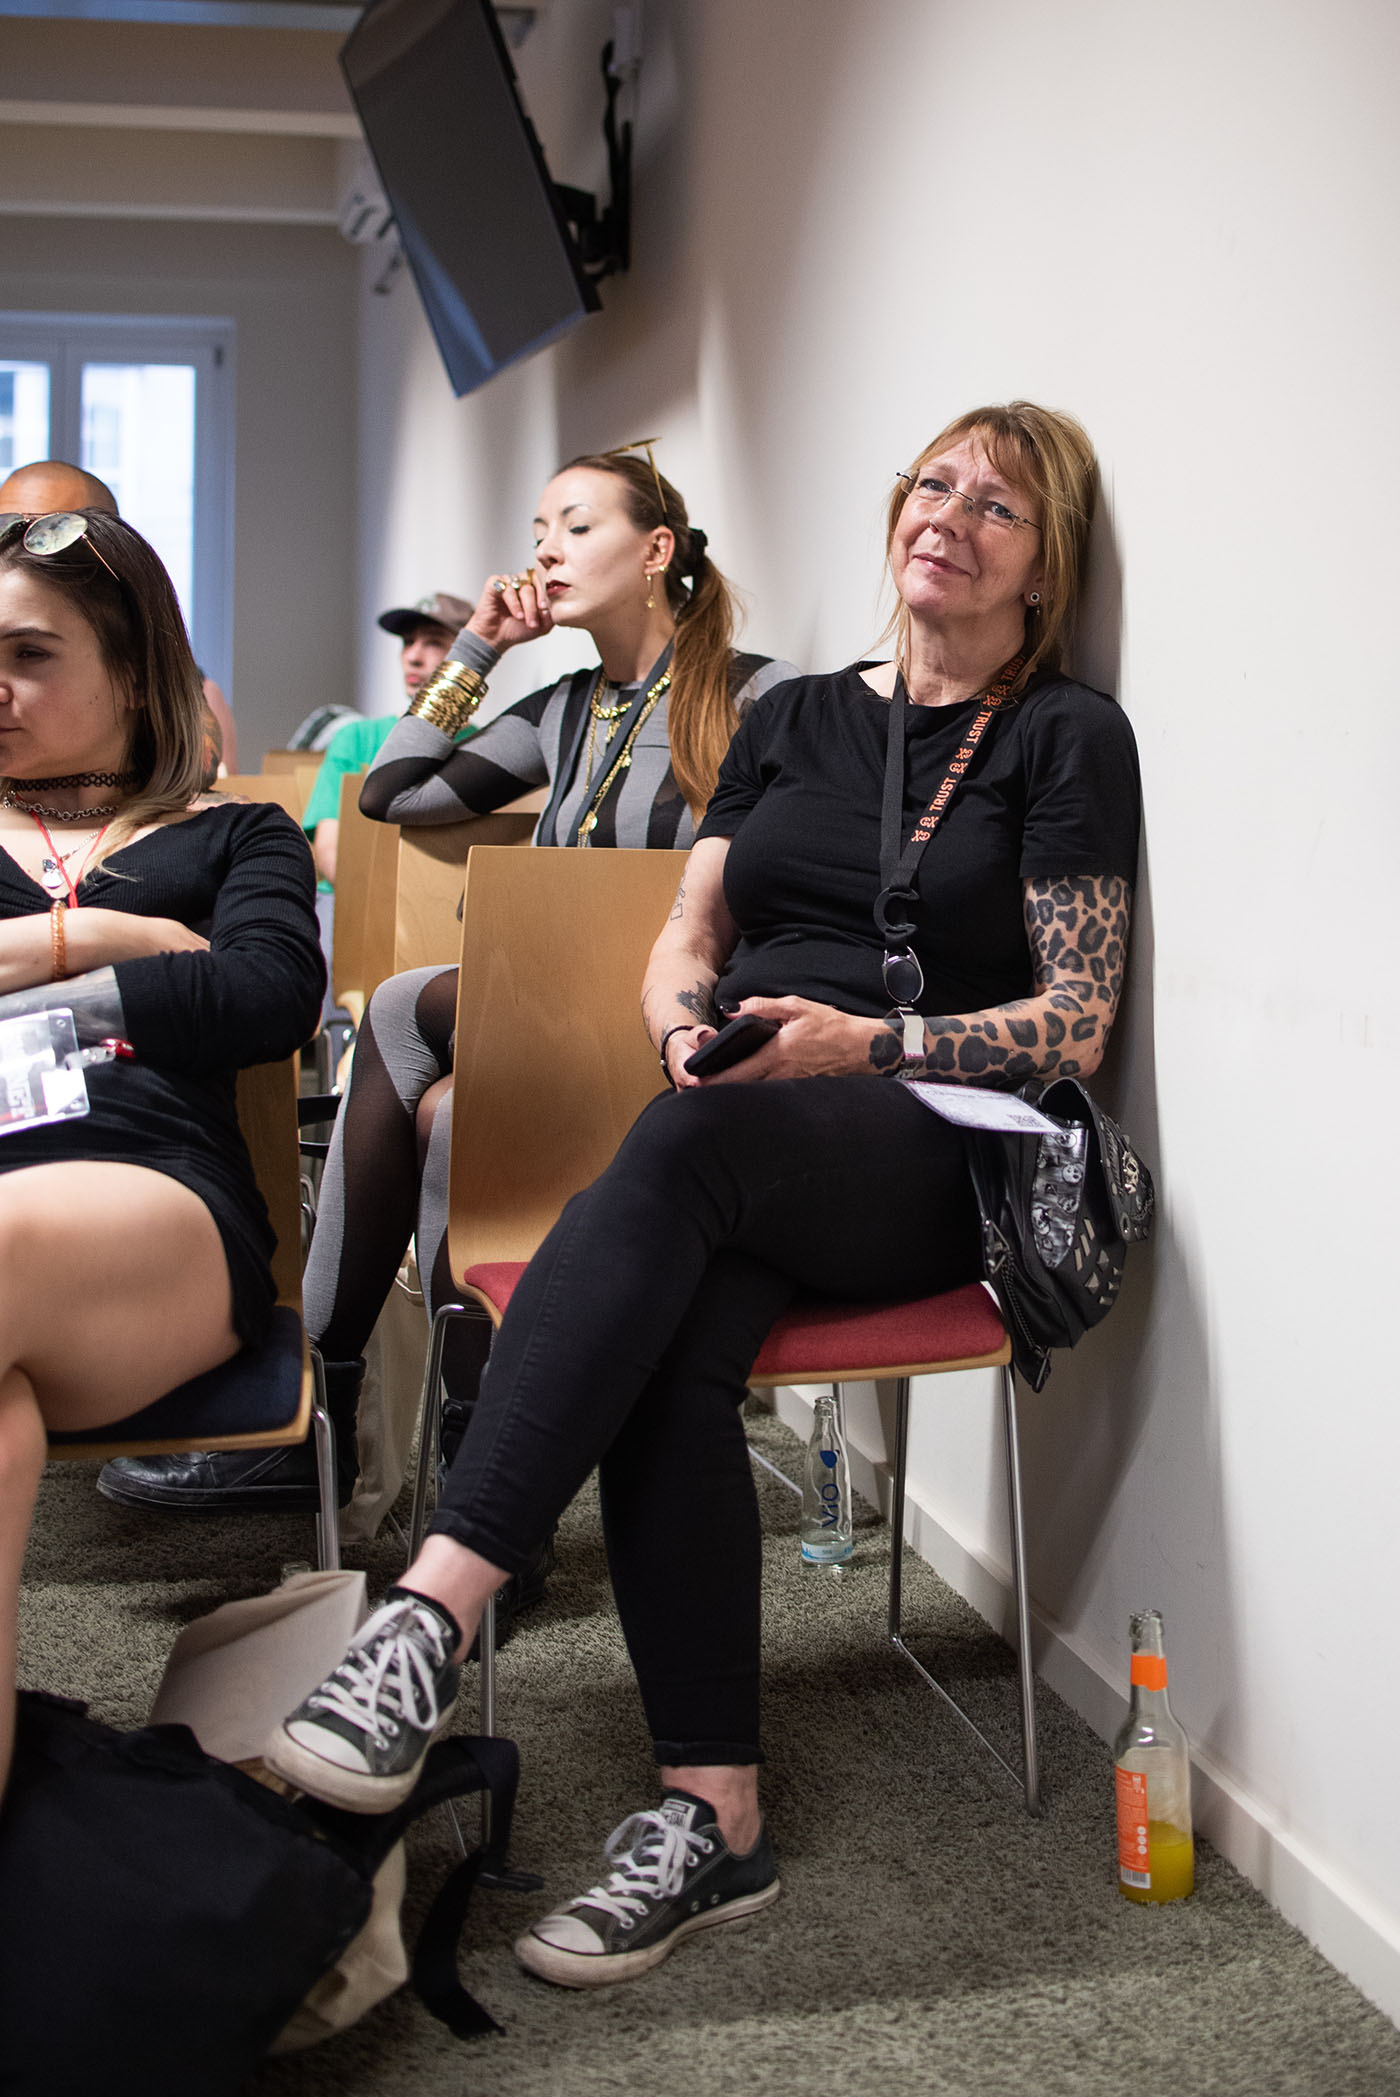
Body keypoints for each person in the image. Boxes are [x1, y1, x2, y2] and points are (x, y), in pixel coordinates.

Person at [261, 402, 1142, 1989]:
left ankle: (430, 1613)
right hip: (745, 1121)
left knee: (677, 1159)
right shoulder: (796, 715)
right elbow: (693, 929)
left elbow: (1076, 1024)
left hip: (934, 1133)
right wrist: (681, 1028)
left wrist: (863, 1043)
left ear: (1045, 567)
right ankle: (714, 1813)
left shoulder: (1064, 736)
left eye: (997, 507)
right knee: (676, 1321)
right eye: (933, 484)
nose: (948, 516)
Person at [100, 448, 797, 1532]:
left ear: (656, 549)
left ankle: (313, 1411)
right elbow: (391, 791)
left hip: (680, 1035)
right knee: (446, 1115)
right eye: (537, 534)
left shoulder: (758, 694)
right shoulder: (565, 709)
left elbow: (786, 881)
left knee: (395, 1009)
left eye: (574, 527)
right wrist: (481, 646)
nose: (545, 553)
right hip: (553, 1030)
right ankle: (477, 1487)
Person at [0, 507, 324, 1798]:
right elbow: (202, 982)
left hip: (154, 1206)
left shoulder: (234, 835)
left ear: (134, 673)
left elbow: (265, 998)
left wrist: (37, 970)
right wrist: (111, 942)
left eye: (29, 654)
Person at [0, 460, 239, 769]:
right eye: (6, 529)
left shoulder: (172, 684)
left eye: (52, 532)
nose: (17, 552)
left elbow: (197, 769)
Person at [301, 591, 473, 887]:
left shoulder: (484, 745)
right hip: (352, 899)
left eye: (433, 642)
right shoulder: (357, 738)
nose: (413, 657)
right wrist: (381, 908)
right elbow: (330, 851)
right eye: (408, 642)